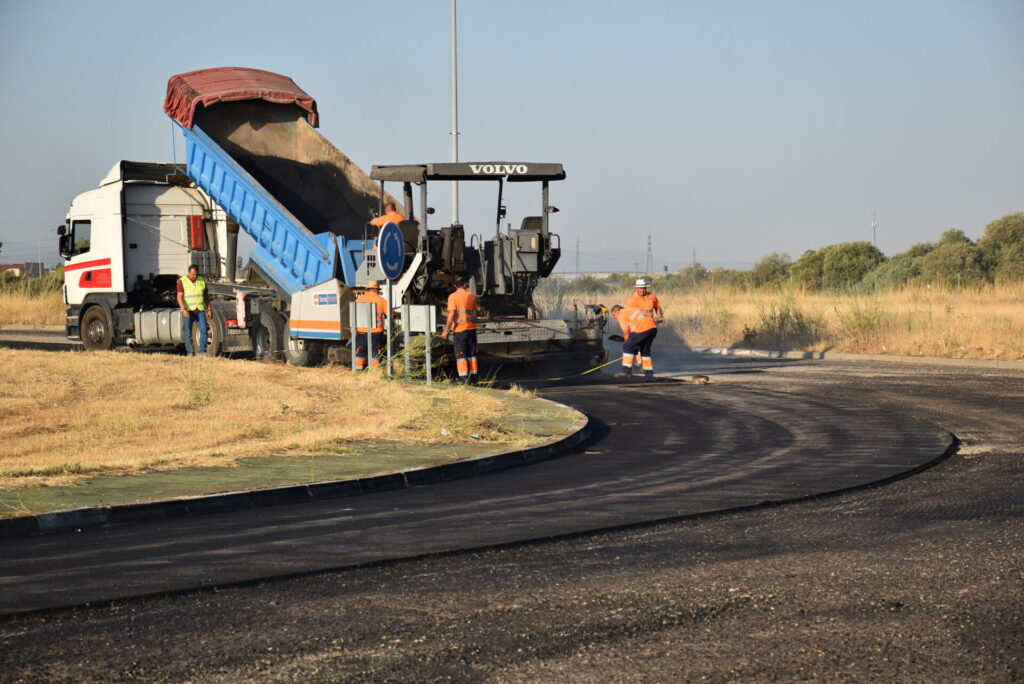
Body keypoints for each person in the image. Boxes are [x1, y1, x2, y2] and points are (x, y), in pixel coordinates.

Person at [440, 276, 478, 383]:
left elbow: (452, 313)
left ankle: (464, 379)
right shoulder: (472, 296)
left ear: (455, 286)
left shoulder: (453, 297)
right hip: (471, 330)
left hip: (460, 330)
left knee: (461, 355)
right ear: (465, 285)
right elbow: (474, 314)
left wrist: (446, 330)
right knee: (472, 355)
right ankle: (473, 378)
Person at [624, 278, 664, 378]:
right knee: (637, 347)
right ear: (636, 288)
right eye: (641, 288)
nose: (643, 290)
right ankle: (638, 365)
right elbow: (630, 316)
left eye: (644, 288)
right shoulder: (632, 300)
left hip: (649, 326)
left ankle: (647, 370)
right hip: (638, 328)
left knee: (645, 348)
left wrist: (660, 316)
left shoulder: (652, 296)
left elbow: (657, 307)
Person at [177, 264, 212, 356]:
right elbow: (179, 297)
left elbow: (205, 296)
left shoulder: (201, 280)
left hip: (199, 310)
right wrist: (184, 309)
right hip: (188, 311)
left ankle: (202, 351)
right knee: (188, 332)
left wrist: (209, 308)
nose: (195, 276)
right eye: (193, 274)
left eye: (196, 274)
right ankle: (190, 352)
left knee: (204, 329)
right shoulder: (182, 282)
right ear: (189, 273)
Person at [354, 280, 388, 370]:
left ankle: (358, 370)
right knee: (375, 353)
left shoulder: (359, 300)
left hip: (361, 331)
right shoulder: (381, 300)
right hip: (376, 332)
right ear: (376, 290)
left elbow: (354, 314)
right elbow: (390, 314)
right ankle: (375, 372)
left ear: (368, 289)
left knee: (360, 352)